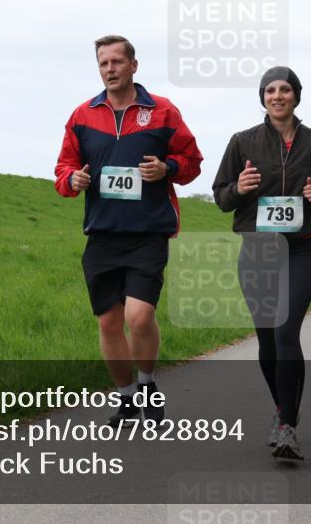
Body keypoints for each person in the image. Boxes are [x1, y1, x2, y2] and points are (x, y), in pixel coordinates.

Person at [55, 35, 203, 426]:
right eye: (103, 63)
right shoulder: (82, 116)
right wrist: (73, 181)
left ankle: (148, 384)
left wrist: (166, 169)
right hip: (102, 234)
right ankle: (125, 398)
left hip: (147, 232)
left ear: (134, 66)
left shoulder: (162, 112)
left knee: (138, 317)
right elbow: (63, 169)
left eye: (117, 61)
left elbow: (192, 161)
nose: (110, 69)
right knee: (108, 322)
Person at [213, 66, 311, 462]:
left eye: (285, 89)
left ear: (296, 95)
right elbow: (220, 195)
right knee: (267, 342)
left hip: (301, 251)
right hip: (258, 253)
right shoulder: (243, 142)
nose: (278, 95)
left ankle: (286, 425)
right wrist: (240, 188)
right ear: (263, 97)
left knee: (286, 333)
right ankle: (285, 411)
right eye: (270, 90)